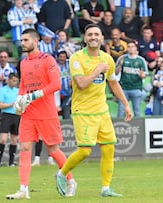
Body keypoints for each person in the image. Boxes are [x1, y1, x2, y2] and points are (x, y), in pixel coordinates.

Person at [55, 24, 133, 198]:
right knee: (85, 151)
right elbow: (81, 84)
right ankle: (61, 173)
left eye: (96, 34)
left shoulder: (107, 59)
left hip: (102, 110)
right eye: (89, 34)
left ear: (101, 37)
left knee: (109, 148)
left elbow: (113, 83)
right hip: (82, 110)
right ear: (84, 38)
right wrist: (97, 70)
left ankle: (105, 188)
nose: (93, 37)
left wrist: (126, 105)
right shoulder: (76, 58)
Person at [6, 28, 76, 199]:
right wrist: (19, 99)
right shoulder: (23, 61)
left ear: (35, 41)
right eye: (21, 40)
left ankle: (70, 180)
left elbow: (56, 84)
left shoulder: (48, 59)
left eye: (26, 40)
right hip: (28, 113)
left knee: (53, 149)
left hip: (46, 112)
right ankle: (23, 189)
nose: (22, 43)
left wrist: (35, 94)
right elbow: (23, 85)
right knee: (24, 148)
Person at [115, 41, 147, 118]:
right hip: (123, 89)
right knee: (121, 110)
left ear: (136, 48)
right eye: (129, 46)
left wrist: (142, 75)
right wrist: (120, 65)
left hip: (136, 88)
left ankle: (139, 128)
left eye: (132, 46)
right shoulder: (122, 58)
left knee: (137, 110)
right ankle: (119, 128)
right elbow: (115, 73)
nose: (130, 48)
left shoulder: (141, 60)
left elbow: (145, 74)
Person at [0, 73, 20, 167]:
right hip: (6, 115)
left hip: (16, 115)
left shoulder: (18, 91)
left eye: (16, 81)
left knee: (14, 140)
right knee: (3, 139)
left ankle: (11, 162)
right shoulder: (3, 90)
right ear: (8, 80)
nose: (15, 82)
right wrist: (12, 104)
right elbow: (0, 105)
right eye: (13, 80)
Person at [0, 51, 17, 122]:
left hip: (9, 99)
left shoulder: (12, 69)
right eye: (1, 57)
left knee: (8, 120)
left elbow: (15, 83)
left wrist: (9, 82)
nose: (3, 59)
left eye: (5, 57)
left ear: (8, 58)